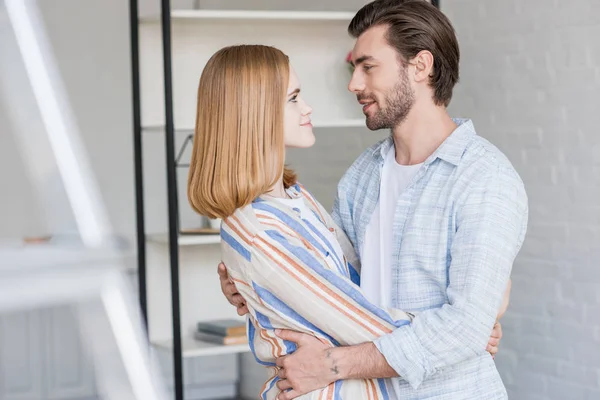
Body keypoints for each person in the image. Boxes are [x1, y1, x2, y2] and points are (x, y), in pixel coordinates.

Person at [218, 1, 528, 399]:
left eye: (368, 67)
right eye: (354, 69)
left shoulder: (484, 178)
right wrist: (252, 278)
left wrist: (332, 364)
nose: (354, 84)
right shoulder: (364, 175)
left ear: (420, 67)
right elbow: (331, 275)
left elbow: (464, 330)